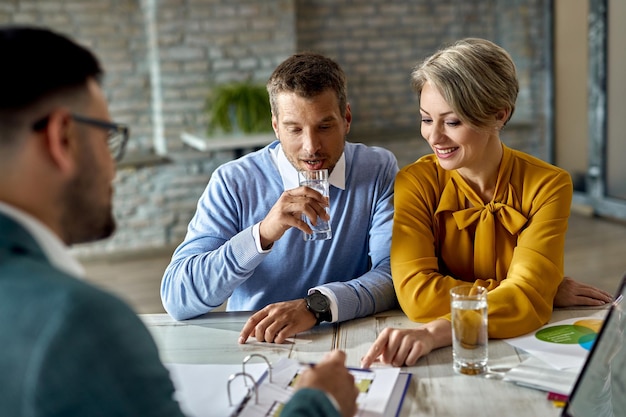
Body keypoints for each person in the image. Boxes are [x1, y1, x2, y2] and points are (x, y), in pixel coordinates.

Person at [0, 26, 357, 417]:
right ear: (61, 140)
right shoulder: (80, 322)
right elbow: (178, 294)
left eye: (324, 125)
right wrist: (318, 403)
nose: (113, 169)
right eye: (107, 139)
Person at [361, 38, 613, 368]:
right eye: (426, 119)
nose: (434, 137)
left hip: (521, 354)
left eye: (452, 122)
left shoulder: (548, 185)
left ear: (499, 115)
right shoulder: (415, 182)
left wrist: (442, 329)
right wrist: (533, 294)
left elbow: (523, 297)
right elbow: (417, 298)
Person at [160, 52, 399, 344]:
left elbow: (393, 276)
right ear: (275, 126)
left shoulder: (377, 169)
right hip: (258, 344)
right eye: (294, 129)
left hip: (349, 339)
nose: (311, 147)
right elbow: (177, 298)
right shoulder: (233, 181)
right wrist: (261, 236)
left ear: (346, 119)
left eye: (324, 127)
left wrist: (318, 306)